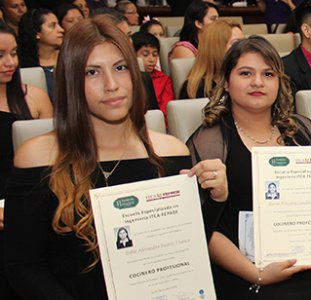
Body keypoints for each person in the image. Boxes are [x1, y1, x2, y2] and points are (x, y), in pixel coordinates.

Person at [3, 18, 228, 300]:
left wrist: (215, 201)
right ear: (71, 81)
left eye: (120, 68)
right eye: (92, 72)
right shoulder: (38, 158)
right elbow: (22, 267)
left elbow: (182, 251)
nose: (111, 85)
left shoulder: (170, 152)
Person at [186, 36, 311, 300]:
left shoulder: (303, 130)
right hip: (247, 269)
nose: (258, 82)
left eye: (268, 74)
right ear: (226, 82)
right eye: (246, 73)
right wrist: (257, 274)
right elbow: (205, 230)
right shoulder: (210, 142)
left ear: (279, 82)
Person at [0, 22, 53, 300]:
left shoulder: (34, 97)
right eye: (0, 55)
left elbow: (55, 158)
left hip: (36, 196)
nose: (9, 63)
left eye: (14, 53)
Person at [180, 20, 243, 99]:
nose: (244, 48)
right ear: (216, 49)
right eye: (236, 43)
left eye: (244, 42)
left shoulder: (247, 81)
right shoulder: (198, 90)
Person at [18, 8, 63, 102]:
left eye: (59, 25)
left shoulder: (69, 58)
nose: (61, 30)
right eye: (52, 26)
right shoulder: (23, 65)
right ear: (36, 33)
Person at [133, 31, 173, 114]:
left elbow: (165, 112)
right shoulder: (127, 78)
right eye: (145, 54)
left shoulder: (164, 80)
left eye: (155, 55)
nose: (151, 60)